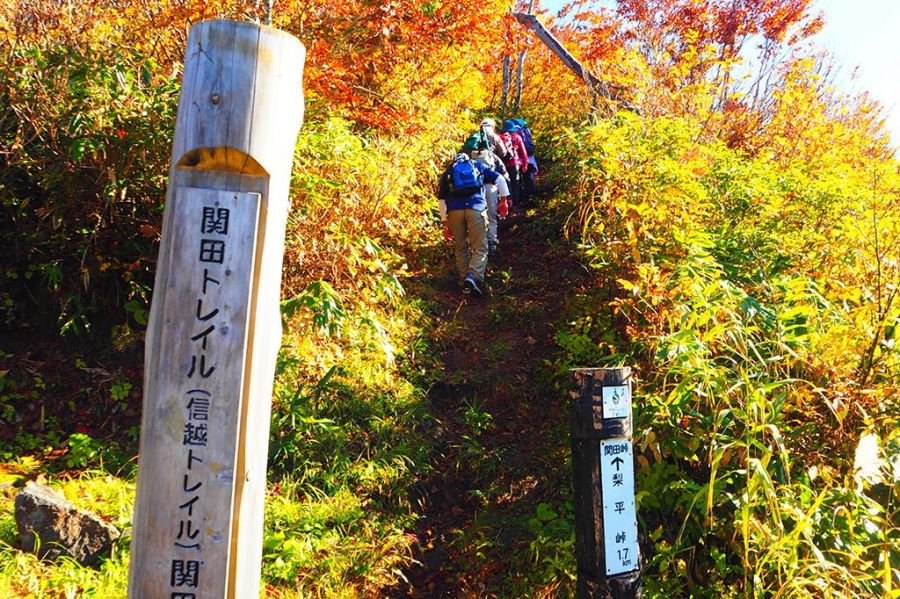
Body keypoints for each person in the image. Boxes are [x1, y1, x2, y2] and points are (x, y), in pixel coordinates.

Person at [437, 151, 510, 297]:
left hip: (454, 212)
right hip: (476, 209)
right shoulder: (477, 166)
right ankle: (474, 277)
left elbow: (441, 199)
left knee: (461, 247)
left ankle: (464, 280)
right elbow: (500, 179)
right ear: (468, 159)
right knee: (480, 247)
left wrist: (445, 223)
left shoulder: (449, 172)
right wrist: (503, 200)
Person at [465, 134, 510, 257]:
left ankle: (476, 245)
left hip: (473, 190)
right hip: (490, 187)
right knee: (491, 217)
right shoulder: (492, 156)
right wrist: (505, 198)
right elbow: (503, 175)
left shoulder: (467, 158)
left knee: (475, 218)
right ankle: (492, 243)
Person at [500, 120, 529, 210]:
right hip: (514, 164)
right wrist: (525, 164)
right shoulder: (517, 137)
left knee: (505, 185)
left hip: (503, 165)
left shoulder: (499, 137)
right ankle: (515, 204)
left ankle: (507, 204)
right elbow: (523, 152)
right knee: (515, 184)